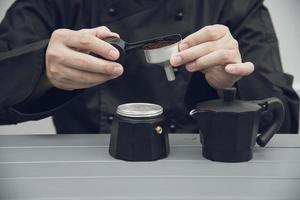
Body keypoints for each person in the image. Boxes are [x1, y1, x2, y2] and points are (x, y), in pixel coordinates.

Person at [0, 0, 298, 134]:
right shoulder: (51, 3)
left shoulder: (234, 5)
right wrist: (41, 69)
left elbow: (286, 121)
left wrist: (231, 86)